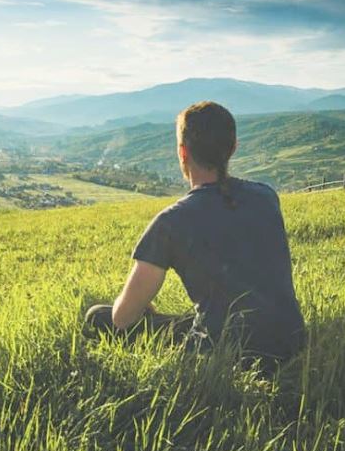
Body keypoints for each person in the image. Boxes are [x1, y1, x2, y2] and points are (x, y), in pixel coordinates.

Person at [84, 101, 307, 365]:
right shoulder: (267, 196)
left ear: (182, 152)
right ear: (233, 147)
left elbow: (122, 319)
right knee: (202, 317)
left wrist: (138, 305)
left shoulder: (171, 222)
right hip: (292, 340)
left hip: (227, 351)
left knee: (99, 316)